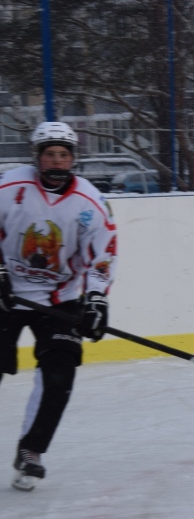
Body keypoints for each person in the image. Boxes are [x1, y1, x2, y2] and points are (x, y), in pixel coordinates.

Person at [0, 120, 116, 492]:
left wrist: (96, 299)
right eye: (49, 154)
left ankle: (31, 451)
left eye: (63, 155)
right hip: (5, 294)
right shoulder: (9, 187)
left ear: (73, 159)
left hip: (60, 298)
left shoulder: (91, 203)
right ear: (37, 157)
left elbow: (103, 256)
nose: (56, 161)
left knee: (59, 374)